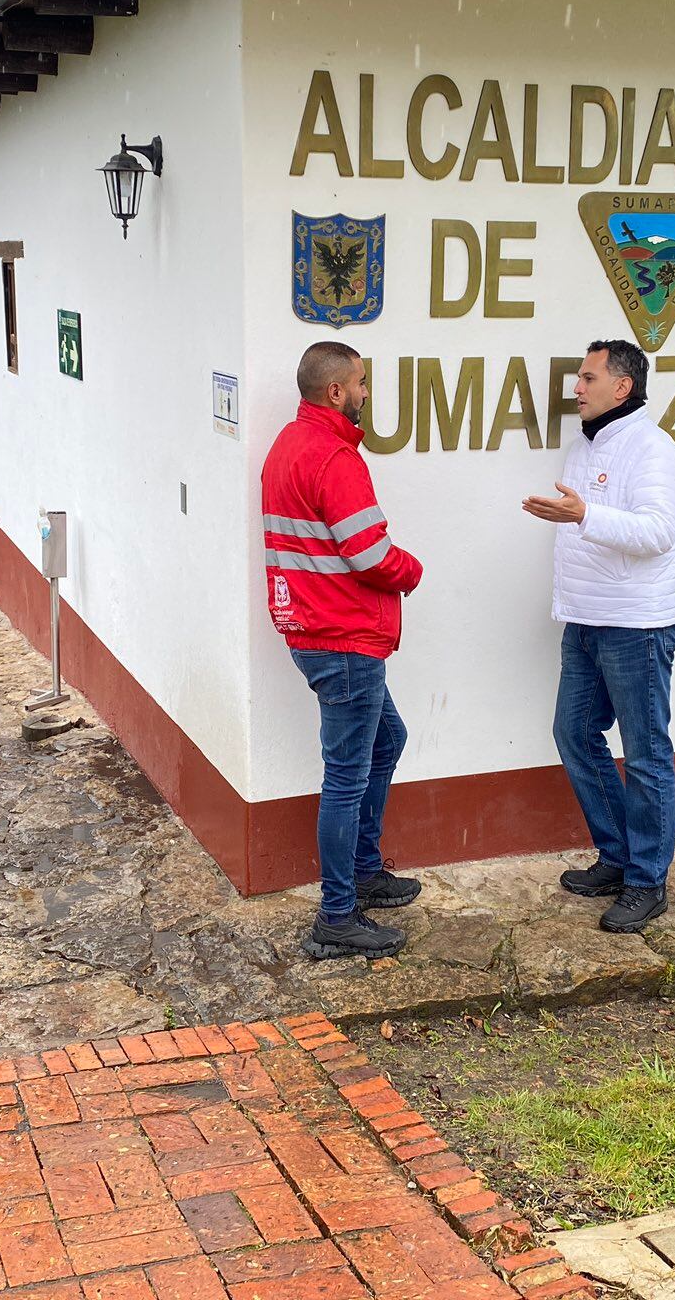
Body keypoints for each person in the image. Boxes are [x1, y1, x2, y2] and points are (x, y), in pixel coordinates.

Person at [262, 340, 425, 961]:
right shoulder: (334, 457)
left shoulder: (288, 445)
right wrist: (412, 570)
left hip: (315, 629)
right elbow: (370, 554)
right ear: (335, 391)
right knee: (346, 780)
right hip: (343, 638)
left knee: (387, 740)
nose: (364, 392)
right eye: (359, 382)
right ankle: (337, 914)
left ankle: (363, 870)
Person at [522, 338, 675, 935]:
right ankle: (618, 857)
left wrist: (584, 515)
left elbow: (657, 533)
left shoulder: (655, 450)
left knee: (646, 755)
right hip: (586, 620)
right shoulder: (584, 446)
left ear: (623, 387)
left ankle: (648, 881)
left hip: (637, 627)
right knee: (574, 732)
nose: (577, 387)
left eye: (588, 377)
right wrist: (577, 517)